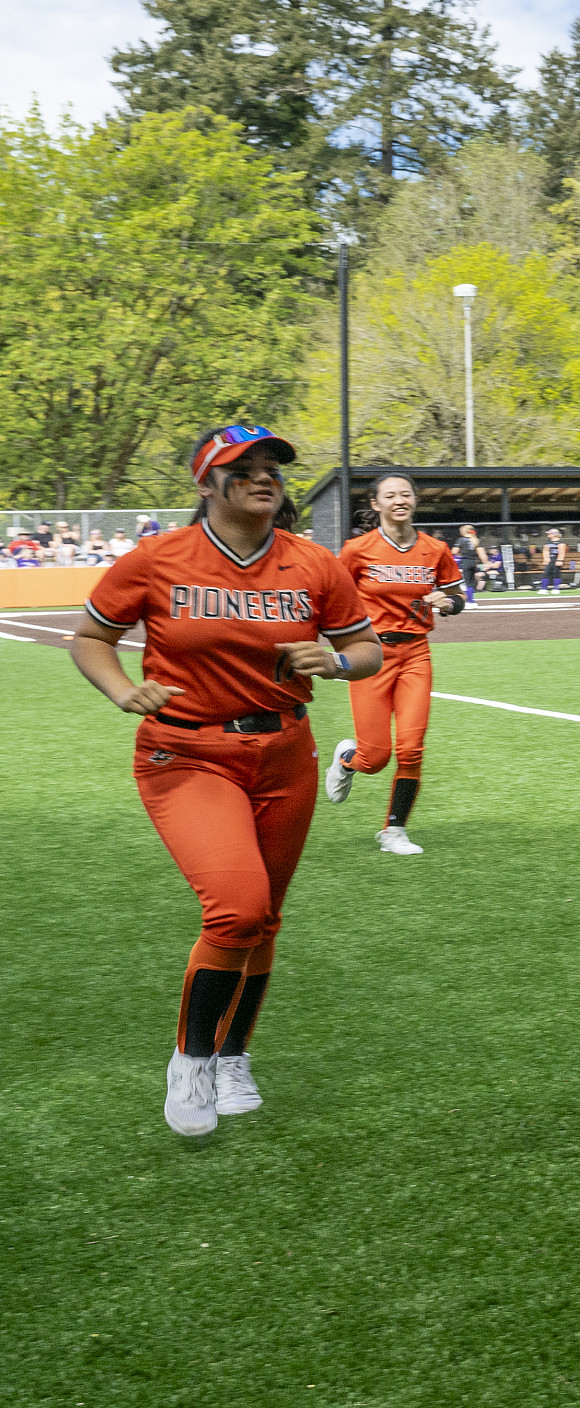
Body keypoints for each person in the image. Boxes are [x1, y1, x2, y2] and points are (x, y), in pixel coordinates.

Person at [73, 427, 381, 1137]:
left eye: (271, 467)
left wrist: (336, 664)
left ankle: (234, 1055)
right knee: (237, 909)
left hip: (283, 753)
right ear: (206, 485)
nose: (263, 477)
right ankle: (192, 1057)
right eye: (242, 469)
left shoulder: (313, 563)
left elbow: (365, 647)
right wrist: (121, 689)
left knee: (266, 915)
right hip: (186, 755)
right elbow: (91, 636)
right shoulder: (158, 559)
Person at [324, 473, 467, 855]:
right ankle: (346, 759)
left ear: (415, 501)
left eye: (406, 494)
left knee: (411, 748)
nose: (399, 500)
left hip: (416, 654)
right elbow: (336, 597)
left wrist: (449, 603)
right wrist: (343, 647)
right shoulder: (357, 549)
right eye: (390, 495)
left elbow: (457, 596)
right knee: (375, 758)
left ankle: (394, 830)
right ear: (376, 504)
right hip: (371, 655)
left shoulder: (435, 549)